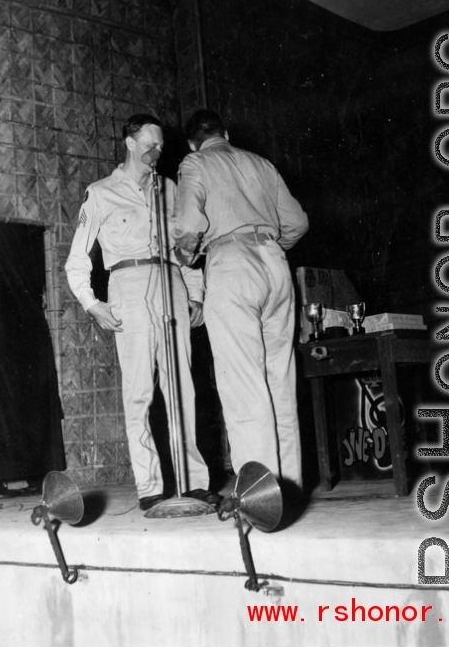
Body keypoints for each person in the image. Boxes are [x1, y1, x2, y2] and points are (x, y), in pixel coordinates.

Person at [65, 114, 221, 510]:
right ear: (130, 143)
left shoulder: (171, 189)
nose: (156, 151)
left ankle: (193, 482)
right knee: (138, 394)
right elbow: (76, 261)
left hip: (171, 283)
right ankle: (151, 488)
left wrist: (196, 293)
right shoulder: (100, 193)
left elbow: (187, 249)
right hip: (128, 287)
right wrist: (91, 303)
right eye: (150, 144)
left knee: (182, 386)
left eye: (161, 146)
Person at [171, 109, 309, 490]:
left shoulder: (195, 162)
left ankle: (260, 496)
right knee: (279, 380)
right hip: (275, 264)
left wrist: (188, 257)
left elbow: (186, 228)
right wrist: (266, 246)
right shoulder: (261, 163)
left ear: (191, 141)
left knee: (244, 385)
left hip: (231, 266)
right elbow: (297, 222)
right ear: (226, 133)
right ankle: (290, 486)